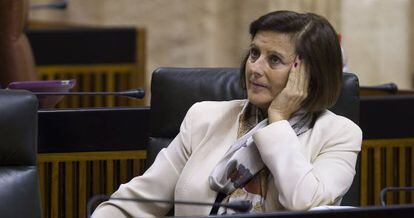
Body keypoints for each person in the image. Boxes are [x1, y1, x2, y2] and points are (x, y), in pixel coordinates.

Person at [92, 10, 362, 217]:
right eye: (254, 53)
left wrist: (278, 119)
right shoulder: (205, 118)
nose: (255, 68)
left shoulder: (339, 135)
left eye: (274, 60)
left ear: (308, 74)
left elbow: (301, 200)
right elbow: (135, 203)